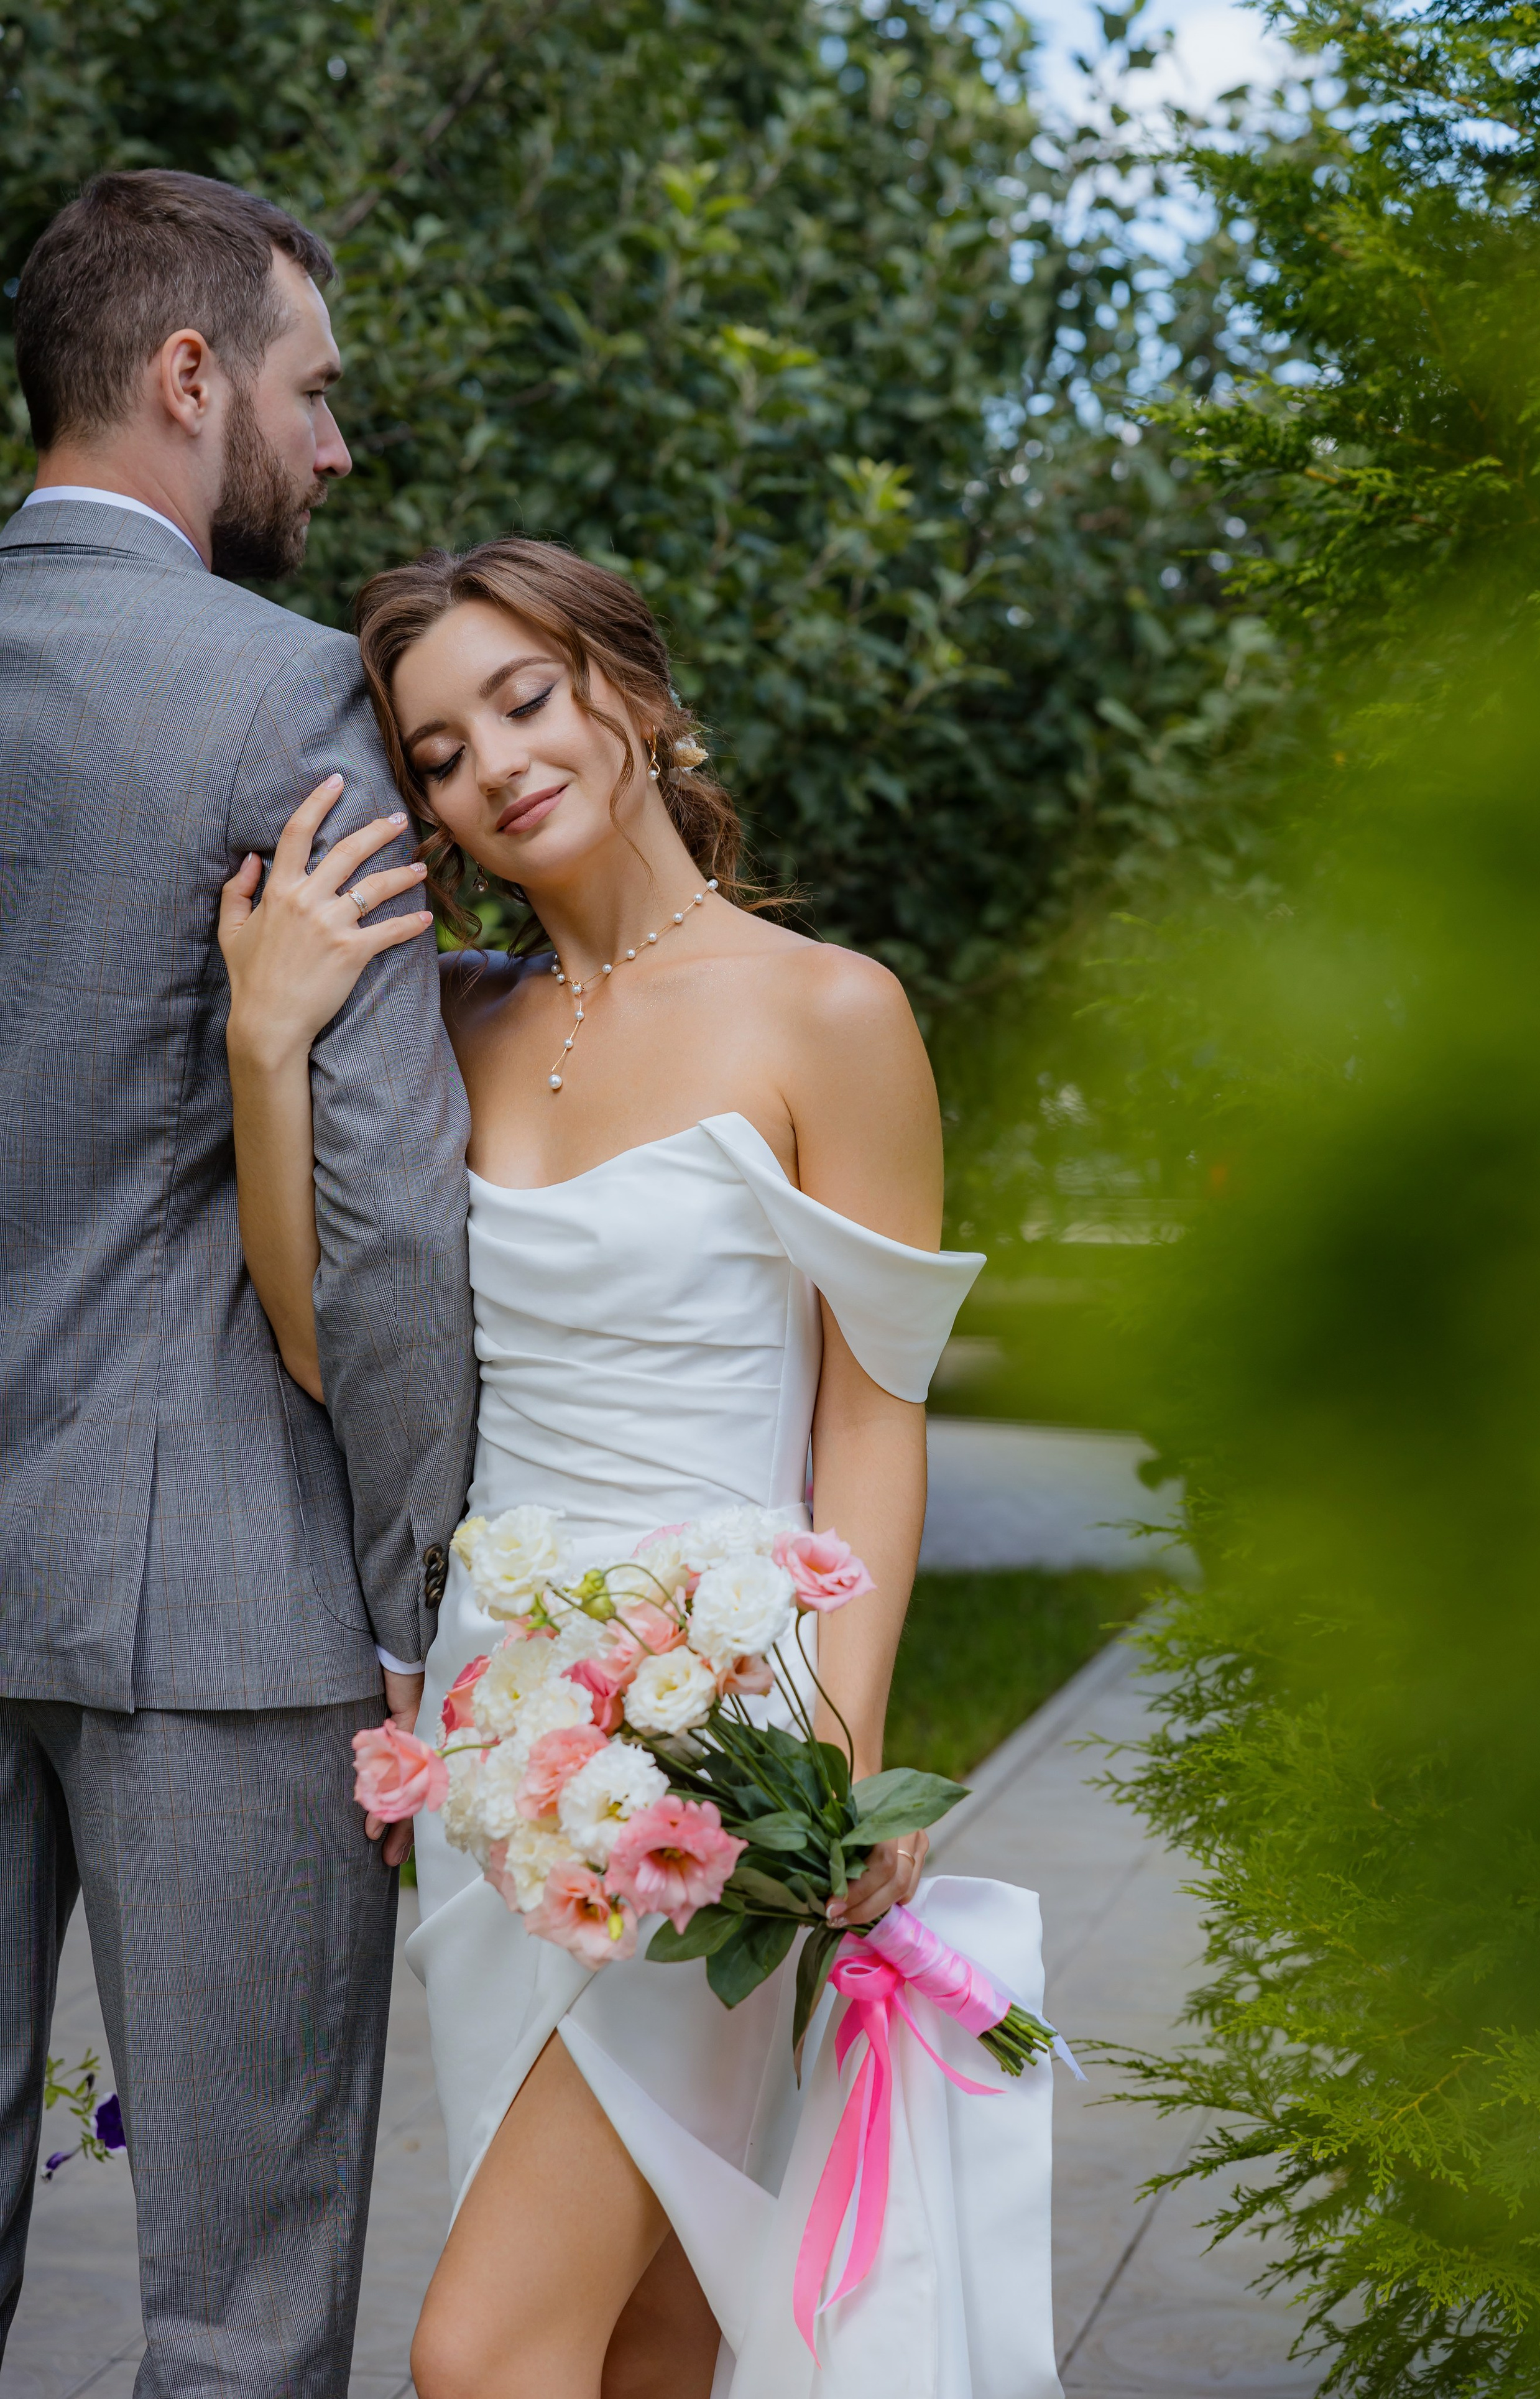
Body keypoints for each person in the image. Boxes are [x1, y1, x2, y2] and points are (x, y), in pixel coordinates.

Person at [219, 537, 1064, 2397]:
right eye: (436, 751)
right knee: (650, 2329)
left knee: (483, 2346)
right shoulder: (443, 1020)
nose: (492, 761)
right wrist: (268, 1049)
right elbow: (319, 1346)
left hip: (716, 1733)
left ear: (634, 689)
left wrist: (841, 1753)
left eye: (524, 696)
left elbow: (873, 1413)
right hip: (487, 1734)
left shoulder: (827, 1011)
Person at [0, 172, 476, 2392]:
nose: (336, 450)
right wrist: (429, 1604)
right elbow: (380, 1215)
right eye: (314, 392)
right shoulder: (288, 696)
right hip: (225, 1602)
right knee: (239, 2292)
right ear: (191, 379)